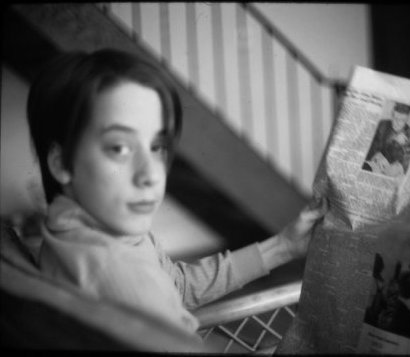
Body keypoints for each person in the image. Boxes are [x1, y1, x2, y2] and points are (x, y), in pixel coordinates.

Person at [26, 48, 323, 350]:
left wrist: (284, 246)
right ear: (61, 163)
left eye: (156, 146)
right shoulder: (121, 279)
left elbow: (174, 284)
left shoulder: (92, 232)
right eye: (118, 147)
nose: (151, 175)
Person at [362, 102, 410, 177]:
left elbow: (406, 165)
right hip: (370, 166)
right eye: (395, 118)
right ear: (392, 115)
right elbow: (371, 149)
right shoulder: (383, 125)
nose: (396, 123)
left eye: (401, 120)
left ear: (407, 119)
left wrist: (395, 145)